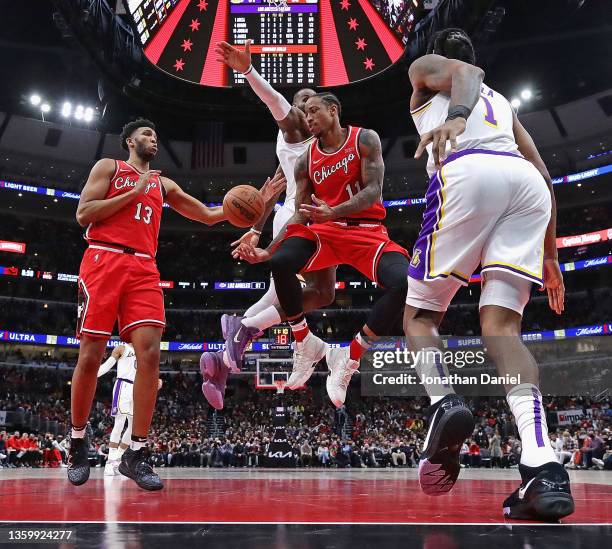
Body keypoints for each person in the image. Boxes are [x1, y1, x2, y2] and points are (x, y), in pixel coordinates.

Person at [403, 28, 573, 520]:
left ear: (435, 58)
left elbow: (465, 74)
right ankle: (543, 466)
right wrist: (550, 254)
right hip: (525, 189)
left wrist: (455, 118)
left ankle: (442, 402)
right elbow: (543, 176)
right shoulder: (502, 104)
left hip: (471, 172)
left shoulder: (425, 72)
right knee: (502, 328)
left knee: (419, 315)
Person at [68, 118, 229, 490]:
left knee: (151, 356)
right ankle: (77, 441)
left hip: (143, 267)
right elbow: (83, 214)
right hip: (103, 259)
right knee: (91, 354)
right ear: (129, 141)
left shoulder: (163, 183)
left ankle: (136, 453)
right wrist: (134, 191)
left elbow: (206, 215)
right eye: (146, 134)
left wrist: (256, 206)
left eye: (156, 135)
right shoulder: (109, 167)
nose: (153, 139)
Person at [236, 93, 410, 407]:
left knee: (404, 283)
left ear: (333, 110)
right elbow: (301, 212)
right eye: (305, 113)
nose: (308, 117)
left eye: (314, 111)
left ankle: (350, 357)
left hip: (367, 232)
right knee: (283, 261)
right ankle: (304, 343)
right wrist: (268, 249)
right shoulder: (305, 159)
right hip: (325, 232)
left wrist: (336, 209)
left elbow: (374, 191)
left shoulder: (364, 139)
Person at [201, 39, 338, 409]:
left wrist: (256, 228)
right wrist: (247, 70)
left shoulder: (316, 142)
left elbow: (272, 188)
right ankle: (244, 330)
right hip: (302, 218)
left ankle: (222, 360)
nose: (307, 112)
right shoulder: (297, 128)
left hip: (294, 216)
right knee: (319, 292)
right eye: (303, 105)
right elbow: (276, 103)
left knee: (302, 293)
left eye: (314, 106)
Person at [97, 343, 163, 475]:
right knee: (119, 423)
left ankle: (118, 460)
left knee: (134, 427)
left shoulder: (144, 351)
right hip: (123, 385)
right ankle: (110, 463)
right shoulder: (122, 348)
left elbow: (149, 371)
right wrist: (92, 374)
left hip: (138, 388)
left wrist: (156, 380)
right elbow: (107, 366)